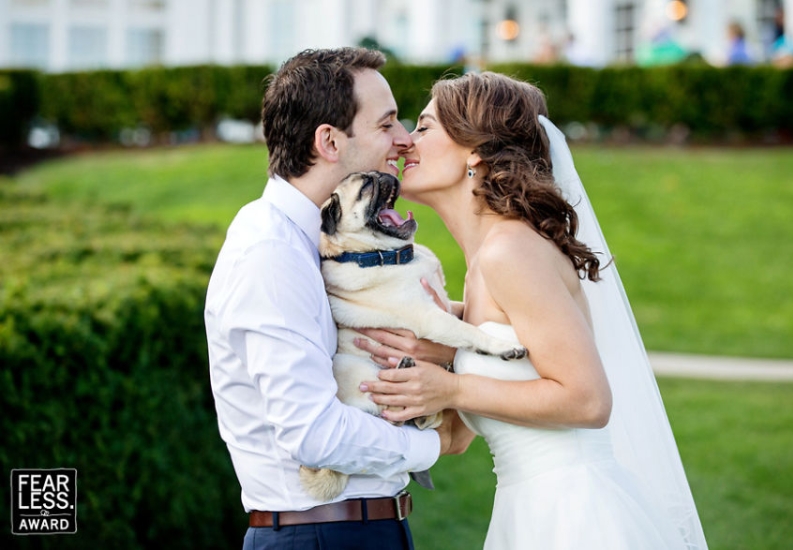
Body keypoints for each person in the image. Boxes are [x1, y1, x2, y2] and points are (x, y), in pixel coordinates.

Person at [357, 72, 708, 549]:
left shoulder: (511, 252)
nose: (405, 142)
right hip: (528, 511)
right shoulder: (484, 265)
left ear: (475, 153)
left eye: (424, 127)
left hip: (575, 518)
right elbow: (460, 434)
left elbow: (588, 401)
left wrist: (452, 385)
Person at [204, 47, 452, 550]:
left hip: (348, 530)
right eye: (386, 124)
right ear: (330, 142)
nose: (405, 139)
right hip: (321, 534)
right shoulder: (271, 252)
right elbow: (314, 433)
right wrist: (434, 443)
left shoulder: (317, 241)